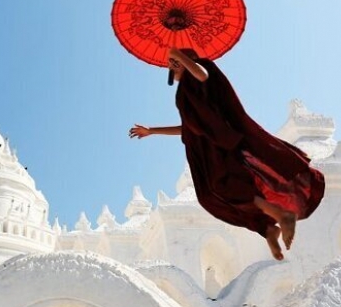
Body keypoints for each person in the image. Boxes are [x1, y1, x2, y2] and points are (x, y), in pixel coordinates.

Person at [129, 47, 325, 260]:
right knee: (209, 196)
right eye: (171, 64)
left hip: (221, 142)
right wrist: (151, 131)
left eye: (174, 63)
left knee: (228, 184)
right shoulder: (185, 93)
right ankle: (268, 228)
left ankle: (280, 216)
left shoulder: (202, 71)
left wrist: (179, 55)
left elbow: (202, 75)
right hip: (203, 150)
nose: (171, 67)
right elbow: (188, 127)